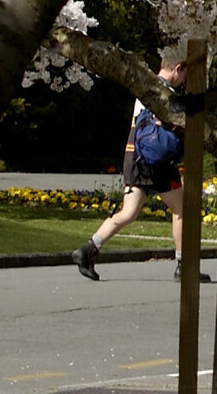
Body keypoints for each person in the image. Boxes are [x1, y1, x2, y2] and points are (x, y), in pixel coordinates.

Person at [75, 60, 203, 282]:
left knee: (129, 212)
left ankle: (89, 249)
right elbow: (167, 123)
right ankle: (184, 265)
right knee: (182, 209)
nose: (184, 81)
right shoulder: (164, 93)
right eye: (185, 75)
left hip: (134, 156)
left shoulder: (145, 87)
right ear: (178, 68)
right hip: (158, 160)